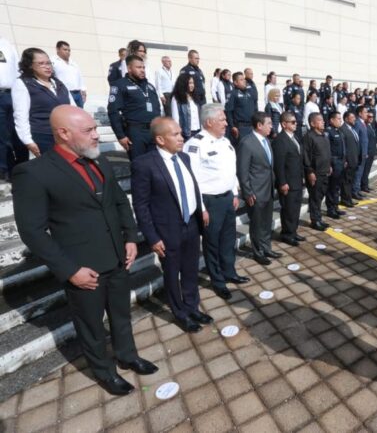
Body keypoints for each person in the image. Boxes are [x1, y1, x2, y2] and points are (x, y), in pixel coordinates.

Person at [12, 105, 158, 396]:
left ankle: (127, 356)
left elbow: (119, 202)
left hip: (117, 257)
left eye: (94, 129)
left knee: (121, 315)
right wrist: (69, 270)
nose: (95, 135)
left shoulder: (99, 160)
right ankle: (104, 372)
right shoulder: (34, 172)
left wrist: (130, 238)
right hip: (82, 269)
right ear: (63, 133)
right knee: (91, 326)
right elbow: (32, 231)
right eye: (88, 130)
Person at [131, 117, 211, 333]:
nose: (181, 137)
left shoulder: (183, 157)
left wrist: (200, 208)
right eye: (175, 134)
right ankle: (180, 313)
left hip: (191, 225)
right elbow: (141, 206)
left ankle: (192, 306)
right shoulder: (144, 164)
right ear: (159, 139)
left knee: (191, 270)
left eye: (180, 133)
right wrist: (152, 237)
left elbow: (191, 187)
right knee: (172, 273)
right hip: (167, 231)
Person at [184, 104, 249, 301]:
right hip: (209, 202)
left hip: (227, 199)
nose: (226, 123)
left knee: (228, 240)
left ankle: (229, 272)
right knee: (212, 243)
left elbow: (230, 170)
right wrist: (201, 208)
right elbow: (192, 179)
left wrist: (234, 193)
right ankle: (218, 281)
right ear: (209, 121)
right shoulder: (195, 144)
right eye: (222, 119)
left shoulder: (224, 141)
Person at [236, 112, 282, 265]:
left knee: (266, 222)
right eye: (269, 123)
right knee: (256, 224)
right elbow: (243, 171)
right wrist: (248, 192)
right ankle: (258, 252)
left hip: (268, 189)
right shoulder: (247, 143)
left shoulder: (266, 141)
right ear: (259, 125)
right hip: (255, 192)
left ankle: (266, 247)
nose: (272, 126)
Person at [12, 47, 75, 159]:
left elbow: (73, 108)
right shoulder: (23, 84)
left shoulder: (58, 83)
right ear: (30, 65)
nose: (47, 66)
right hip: (42, 137)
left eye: (48, 63)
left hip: (65, 136)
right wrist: (27, 140)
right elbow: (21, 115)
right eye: (41, 63)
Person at [107, 55, 162, 160]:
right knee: (139, 165)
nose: (142, 70)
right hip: (135, 132)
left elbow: (157, 109)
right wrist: (121, 136)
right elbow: (113, 111)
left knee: (156, 164)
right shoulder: (119, 85)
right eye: (138, 67)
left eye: (143, 67)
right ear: (129, 68)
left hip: (152, 132)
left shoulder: (149, 86)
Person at [272, 111, 305, 246]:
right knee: (288, 209)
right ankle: (287, 234)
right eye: (292, 122)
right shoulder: (280, 140)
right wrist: (282, 182)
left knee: (295, 209)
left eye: (295, 122)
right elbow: (279, 165)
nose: (295, 124)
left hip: (297, 180)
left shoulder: (294, 137)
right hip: (288, 182)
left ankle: (293, 231)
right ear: (284, 124)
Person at [304, 112, 332, 231]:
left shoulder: (323, 135)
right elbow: (306, 156)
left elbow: (326, 153)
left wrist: (329, 165)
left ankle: (319, 218)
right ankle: (315, 221)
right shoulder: (308, 137)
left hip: (325, 171)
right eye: (320, 120)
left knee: (320, 197)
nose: (323, 122)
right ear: (312, 123)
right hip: (315, 173)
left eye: (322, 120)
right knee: (314, 198)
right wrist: (310, 172)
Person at [0, 35, 20, 180]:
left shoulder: (7, 44)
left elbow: (18, 69)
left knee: (16, 134)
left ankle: (19, 167)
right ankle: (4, 169)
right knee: (2, 136)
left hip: (11, 94)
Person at [51, 40, 86, 108]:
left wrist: (83, 91)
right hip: (65, 93)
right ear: (57, 49)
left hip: (78, 94)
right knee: (68, 115)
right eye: (65, 49)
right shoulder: (53, 61)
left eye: (69, 50)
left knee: (79, 115)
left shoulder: (73, 63)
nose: (68, 52)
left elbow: (80, 77)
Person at [325, 111, 347, 219]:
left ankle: (336, 207)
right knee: (332, 187)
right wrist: (329, 164)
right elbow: (327, 150)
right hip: (334, 163)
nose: (340, 120)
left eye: (341, 118)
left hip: (341, 162)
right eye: (338, 119)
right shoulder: (329, 132)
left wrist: (345, 160)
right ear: (331, 120)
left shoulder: (339, 131)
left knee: (337, 187)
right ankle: (331, 209)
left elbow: (342, 147)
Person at [225, 71, 255, 144]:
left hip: (251, 126)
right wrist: (232, 126)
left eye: (244, 79)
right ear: (235, 82)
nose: (244, 81)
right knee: (242, 148)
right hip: (241, 127)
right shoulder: (233, 94)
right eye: (241, 80)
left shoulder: (249, 93)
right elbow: (228, 111)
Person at [171, 73, 203, 139]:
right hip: (186, 134)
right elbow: (175, 119)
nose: (192, 85)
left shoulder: (195, 97)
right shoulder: (176, 99)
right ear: (183, 84)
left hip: (198, 131)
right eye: (190, 83)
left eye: (193, 83)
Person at [339, 111, 360, 208]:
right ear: (346, 119)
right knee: (346, 181)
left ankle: (349, 198)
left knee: (350, 180)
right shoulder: (342, 129)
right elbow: (343, 147)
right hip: (348, 161)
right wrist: (345, 160)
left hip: (354, 159)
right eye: (352, 117)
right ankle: (345, 200)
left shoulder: (352, 129)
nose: (354, 119)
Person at [351, 106, 369, 200]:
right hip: (360, 152)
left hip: (364, 152)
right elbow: (356, 139)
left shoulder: (363, 123)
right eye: (365, 112)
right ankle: (354, 191)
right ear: (360, 113)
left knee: (360, 172)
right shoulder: (358, 123)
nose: (367, 114)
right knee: (358, 173)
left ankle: (357, 190)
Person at [361, 112, 377, 193]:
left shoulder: (370, 126)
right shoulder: (365, 127)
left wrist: (375, 152)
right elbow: (365, 141)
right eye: (369, 116)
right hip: (367, 152)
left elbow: (373, 141)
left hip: (372, 152)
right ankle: (364, 186)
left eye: (372, 116)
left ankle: (366, 184)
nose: (371, 118)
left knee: (367, 170)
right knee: (365, 170)